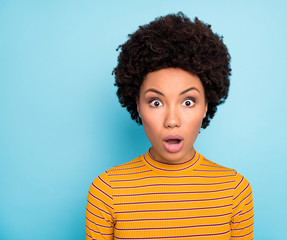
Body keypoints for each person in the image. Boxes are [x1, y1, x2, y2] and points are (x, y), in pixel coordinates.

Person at [85, 12, 254, 239]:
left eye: (188, 102)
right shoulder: (107, 191)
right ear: (138, 106)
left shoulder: (235, 190)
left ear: (206, 105)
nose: (172, 120)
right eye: (156, 102)